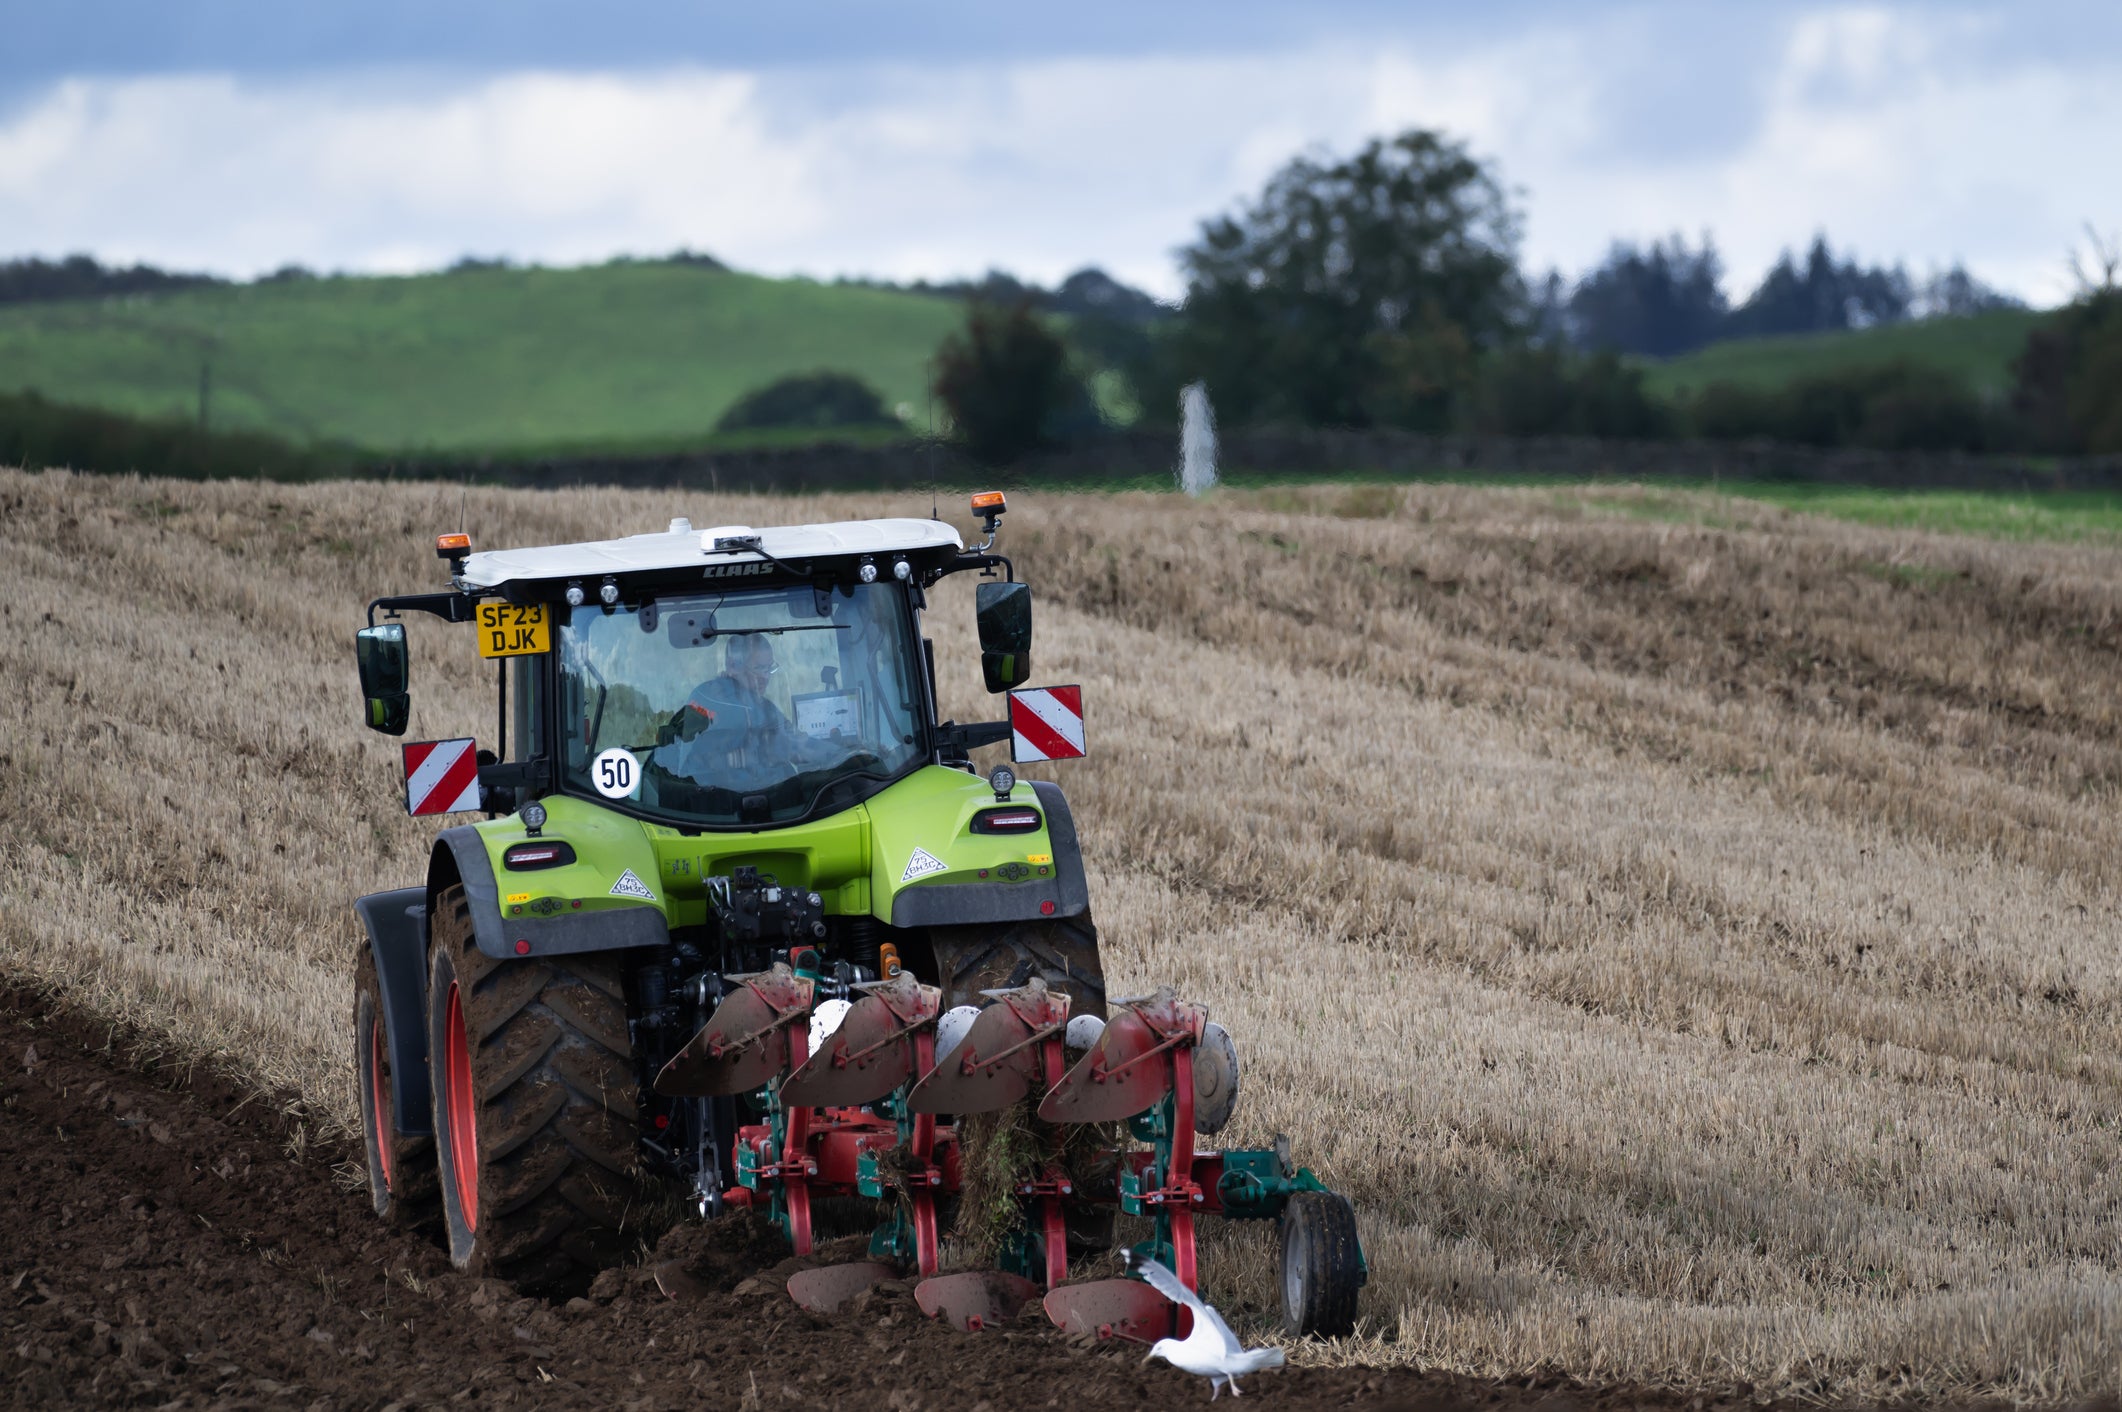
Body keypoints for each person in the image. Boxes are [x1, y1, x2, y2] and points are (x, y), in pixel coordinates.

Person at [656, 633, 816, 788]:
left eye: (769, 669)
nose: (766, 677)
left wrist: (834, 753)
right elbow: (697, 764)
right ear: (733, 666)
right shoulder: (706, 700)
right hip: (716, 800)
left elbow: (795, 743)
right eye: (759, 668)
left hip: (771, 795)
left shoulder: (765, 707)